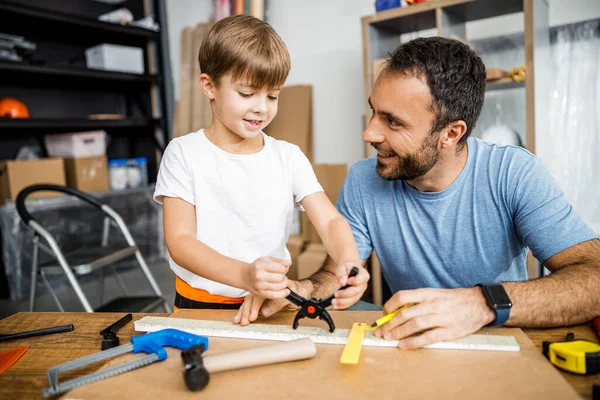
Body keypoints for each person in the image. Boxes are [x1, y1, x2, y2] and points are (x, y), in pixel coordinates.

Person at [257, 36, 600, 348]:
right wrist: (304, 291)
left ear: (451, 133)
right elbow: (337, 273)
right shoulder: (364, 178)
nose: (369, 133)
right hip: (413, 347)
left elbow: (594, 279)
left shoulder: (513, 174)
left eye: (393, 122)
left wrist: (480, 303)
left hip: (497, 347)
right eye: (374, 111)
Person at [153, 14, 369, 325]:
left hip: (271, 303)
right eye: (246, 93)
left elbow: (330, 220)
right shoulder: (184, 153)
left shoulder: (288, 157)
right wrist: (244, 275)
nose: (261, 108)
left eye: (272, 96)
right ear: (209, 85)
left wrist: (349, 262)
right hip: (199, 304)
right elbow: (180, 242)